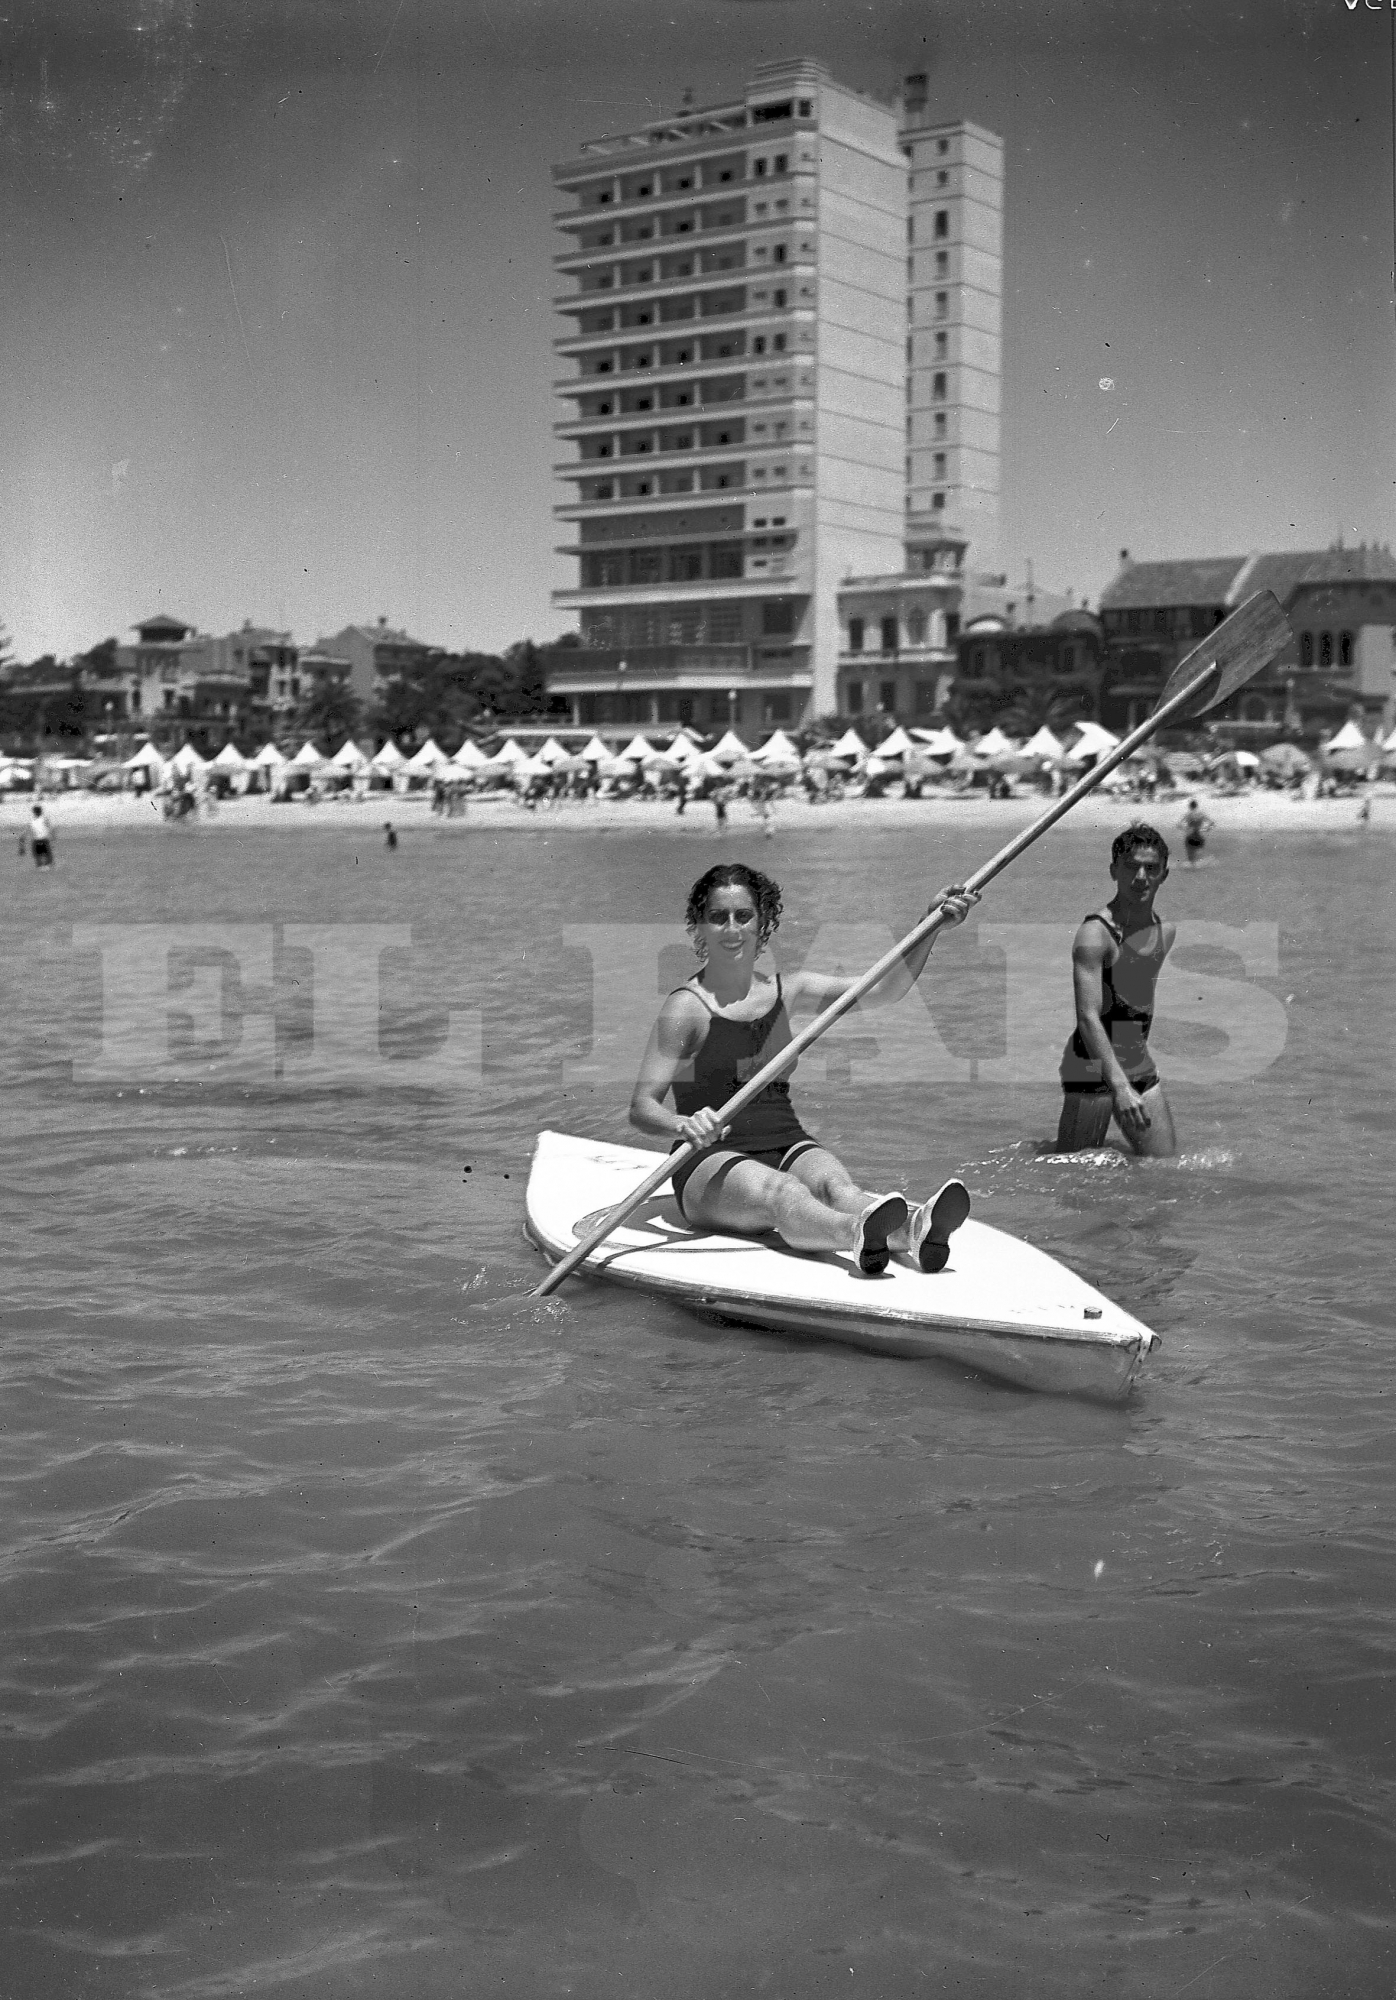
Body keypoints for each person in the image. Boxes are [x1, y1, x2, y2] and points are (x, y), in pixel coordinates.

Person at [630, 863, 977, 1275]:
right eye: (717, 917)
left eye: (744, 916)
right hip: (709, 1159)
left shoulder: (791, 992)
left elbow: (886, 989)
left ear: (762, 922)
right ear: (700, 927)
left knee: (836, 1187)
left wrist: (930, 926)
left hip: (785, 1141)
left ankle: (912, 1231)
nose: (731, 929)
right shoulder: (686, 1007)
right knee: (783, 1192)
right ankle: (857, 1233)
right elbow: (642, 1108)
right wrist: (683, 1125)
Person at [1056, 823, 1178, 1157]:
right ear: (1114, 870)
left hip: (1137, 1062)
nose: (1141, 876)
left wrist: (1131, 1075)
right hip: (1092, 1068)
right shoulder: (1095, 934)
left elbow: (1137, 1005)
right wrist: (1120, 1087)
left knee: (1165, 1168)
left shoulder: (1164, 931)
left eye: (1151, 869)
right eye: (1131, 866)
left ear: (1164, 875)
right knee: (1073, 1173)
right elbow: (1087, 1016)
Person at [1179, 797, 1213, 867]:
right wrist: (1206, 829)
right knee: (1199, 851)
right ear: (1196, 806)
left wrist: (1186, 829)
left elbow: (1179, 825)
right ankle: (1198, 865)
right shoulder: (1201, 814)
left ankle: (1191, 865)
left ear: (1190, 806)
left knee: (1190, 854)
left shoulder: (1188, 814)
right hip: (1198, 834)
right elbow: (1212, 823)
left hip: (1190, 834)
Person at [29, 802, 54, 867]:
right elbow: (31, 829)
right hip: (36, 839)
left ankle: (48, 865)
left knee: (46, 852)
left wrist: (52, 835)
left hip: (43, 838)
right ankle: (40, 865)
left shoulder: (44, 818)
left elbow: (50, 827)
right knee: (37, 853)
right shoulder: (33, 820)